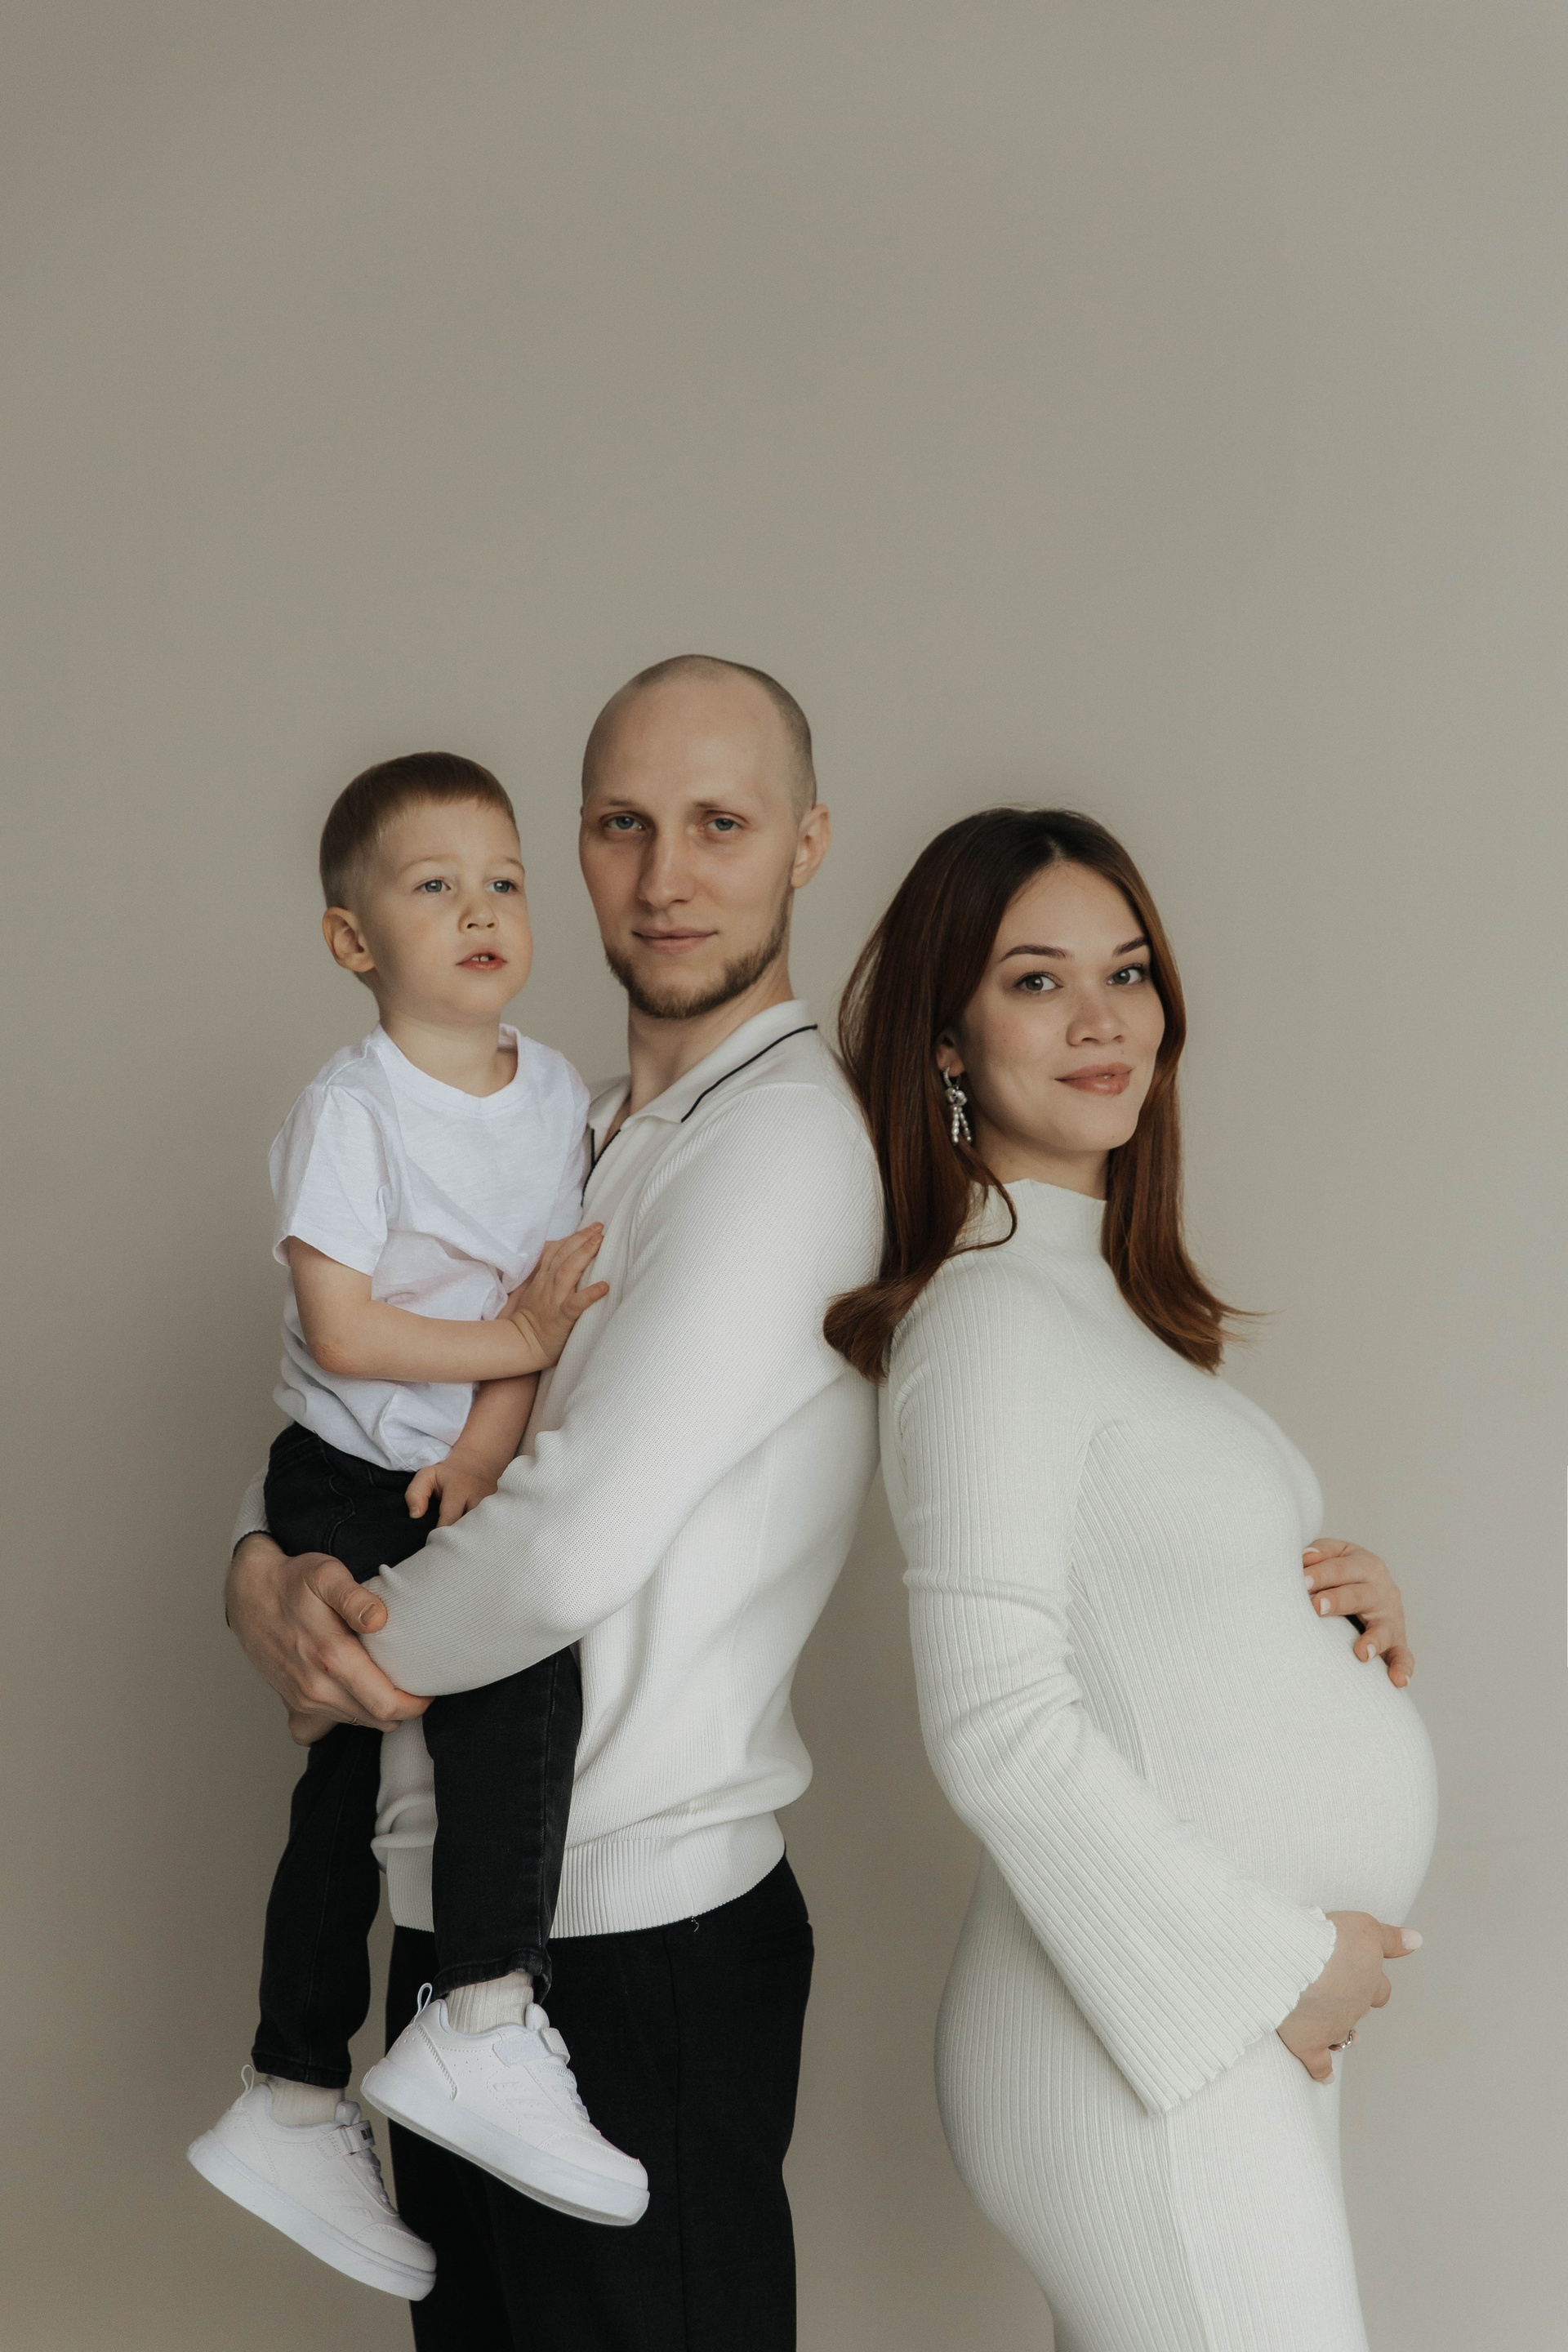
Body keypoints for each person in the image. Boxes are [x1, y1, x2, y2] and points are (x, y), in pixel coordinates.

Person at [223, 657, 883, 2350]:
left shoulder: (781, 1145)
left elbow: (569, 1540)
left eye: (720, 824)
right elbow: (381, 1404)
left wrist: (339, 1648)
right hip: (466, 1941)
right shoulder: (562, 1127)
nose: (666, 878)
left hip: (636, 1943)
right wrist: (262, 1565)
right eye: (621, 825)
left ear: (806, 845)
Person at [826, 806, 1437, 2352]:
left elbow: (1139, 1613)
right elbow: (994, 1726)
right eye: (1036, 981)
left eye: (1129, 971)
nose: (1103, 1019)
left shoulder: (1105, 1309)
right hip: (1148, 2026)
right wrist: (1281, 1965)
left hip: (1224, 2019)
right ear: (948, 1041)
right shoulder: (985, 1321)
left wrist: (1326, 1605)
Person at [189, 752, 648, 2305]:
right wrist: (510, 1349)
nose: (479, 909)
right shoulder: (354, 1107)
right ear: (353, 939)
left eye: (503, 880)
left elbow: (550, 1308)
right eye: (433, 886)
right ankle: (473, 2016)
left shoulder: (558, 1096)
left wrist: (486, 1445)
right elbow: (347, 1328)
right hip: (339, 1471)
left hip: (447, 1466)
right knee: (480, 1698)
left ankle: (296, 2093)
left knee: (383, 1766)